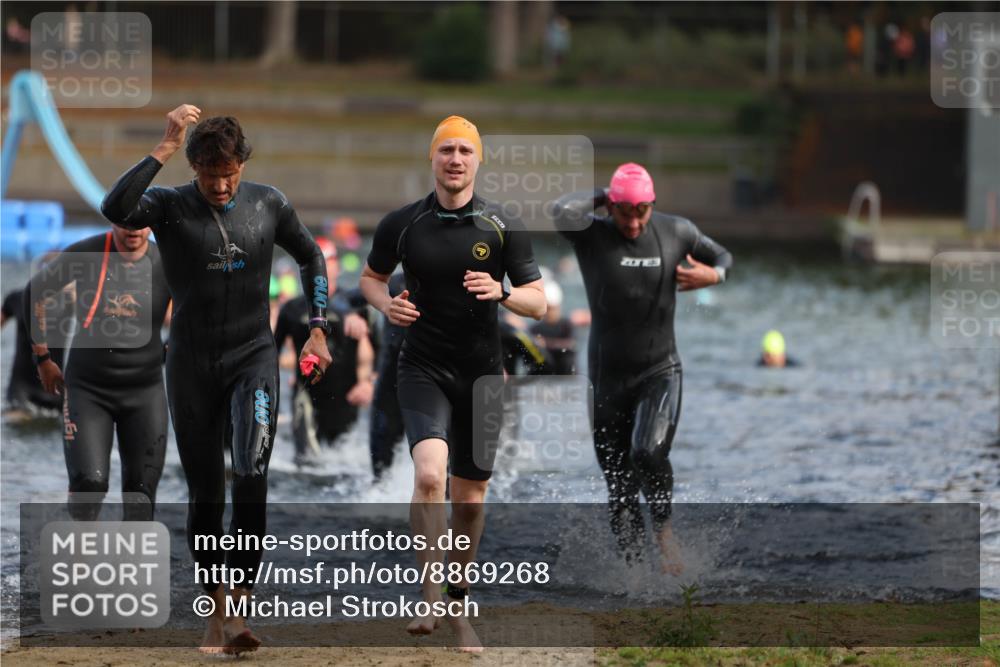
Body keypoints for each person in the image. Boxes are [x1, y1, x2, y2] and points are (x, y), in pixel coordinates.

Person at [100, 105, 331, 655]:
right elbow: (116, 207)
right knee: (206, 492)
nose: (222, 185)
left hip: (253, 356)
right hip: (190, 365)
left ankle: (239, 607)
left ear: (242, 164)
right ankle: (216, 609)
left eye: (230, 173)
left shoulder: (268, 202)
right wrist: (164, 145)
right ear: (194, 167)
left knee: (251, 470)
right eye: (210, 174)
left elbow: (312, 256)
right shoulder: (170, 205)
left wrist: (318, 328)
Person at [360, 116, 545, 651]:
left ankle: (459, 602)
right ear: (433, 159)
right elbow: (370, 278)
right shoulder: (403, 223)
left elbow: (539, 302)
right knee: (428, 477)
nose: (456, 159)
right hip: (423, 366)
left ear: (478, 160)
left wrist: (502, 292)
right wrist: (385, 304)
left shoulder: (502, 224)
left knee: (469, 500)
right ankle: (429, 592)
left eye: (465, 150)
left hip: (482, 374)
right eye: (446, 150)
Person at [550, 163, 732, 574]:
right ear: (611, 206)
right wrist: (608, 192)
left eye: (642, 211)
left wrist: (713, 275)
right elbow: (560, 210)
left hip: (659, 370)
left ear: (653, 206)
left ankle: (665, 533)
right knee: (620, 486)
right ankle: (635, 580)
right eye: (625, 211)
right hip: (606, 379)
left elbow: (723, 255)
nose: (634, 222)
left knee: (647, 451)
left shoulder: (676, 231)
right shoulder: (592, 235)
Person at [24, 226, 170, 520]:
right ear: (112, 220)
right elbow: (35, 292)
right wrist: (43, 358)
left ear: (151, 223)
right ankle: (79, 560)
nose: (133, 230)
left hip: (145, 393)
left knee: (140, 498)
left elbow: (204, 306)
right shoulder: (86, 254)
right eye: (124, 222)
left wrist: (174, 351)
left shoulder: (168, 260)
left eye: (140, 223)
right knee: (88, 486)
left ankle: (131, 564)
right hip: (88, 391)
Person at [273, 237, 374, 464]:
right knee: (306, 460)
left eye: (327, 261)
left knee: (339, 459)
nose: (323, 268)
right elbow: (272, 353)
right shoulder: (292, 309)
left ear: (337, 265)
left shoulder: (355, 305)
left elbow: (375, 350)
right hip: (306, 391)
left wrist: (367, 382)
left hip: (345, 394)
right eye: (317, 261)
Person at [1, 255, 69, 418]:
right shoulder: (18, 298)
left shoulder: (71, 302)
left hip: (56, 389)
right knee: (17, 419)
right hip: (22, 389)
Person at [368, 272, 407, 480]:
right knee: (381, 467)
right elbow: (346, 299)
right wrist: (353, 315)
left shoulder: (452, 278)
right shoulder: (396, 282)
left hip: (432, 378)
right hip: (391, 377)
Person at [529, 278, 577, 375]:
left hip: (565, 374)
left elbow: (571, 345)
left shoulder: (566, 325)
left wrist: (545, 343)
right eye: (547, 309)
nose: (549, 313)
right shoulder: (536, 328)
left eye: (552, 309)